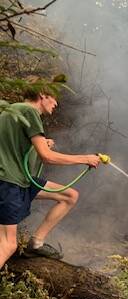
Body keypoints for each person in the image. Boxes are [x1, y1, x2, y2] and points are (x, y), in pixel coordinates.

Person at [0, 80, 101, 269]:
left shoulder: (12, 110)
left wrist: (40, 143)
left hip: (19, 179)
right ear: (43, 95)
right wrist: (85, 158)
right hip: (8, 182)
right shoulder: (30, 112)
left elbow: (11, 146)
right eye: (53, 98)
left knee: (69, 195)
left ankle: (36, 243)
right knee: (8, 244)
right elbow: (47, 158)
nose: (56, 104)